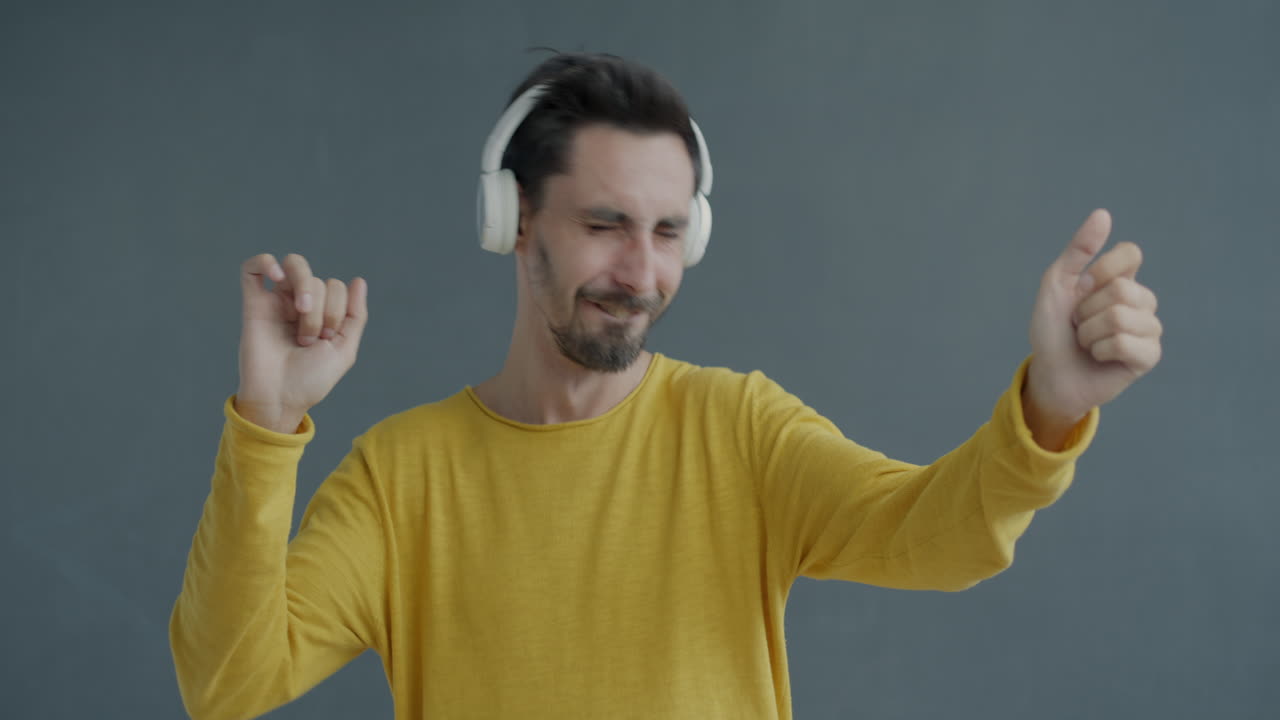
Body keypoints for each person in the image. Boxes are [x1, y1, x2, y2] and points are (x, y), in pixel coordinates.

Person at [169, 52, 1163, 720]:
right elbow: (227, 683)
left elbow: (938, 538)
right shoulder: (400, 477)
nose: (642, 274)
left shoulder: (740, 431)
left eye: (669, 231)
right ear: (514, 220)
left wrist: (1051, 405)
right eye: (605, 225)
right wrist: (268, 422)